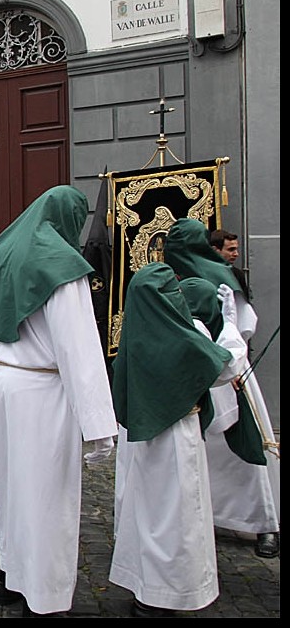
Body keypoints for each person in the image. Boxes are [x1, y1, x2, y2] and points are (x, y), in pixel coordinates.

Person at [0, 185, 117, 617]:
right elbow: (78, 348)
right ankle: (44, 596)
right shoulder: (61, 265)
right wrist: (99, 427)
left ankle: (10, 577)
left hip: (1, 384)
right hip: (41, 393)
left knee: (11, 489)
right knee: (48, 497)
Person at [109, 264, 236, 617]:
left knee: (144, 513)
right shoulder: (179, 337)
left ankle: (144, 587)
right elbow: (225, 367)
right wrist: (230, 328)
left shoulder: (133, 338)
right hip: (175, 436)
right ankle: (168, 593)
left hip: (139, 439)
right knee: (176, 516)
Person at [166, 219, 278, 559]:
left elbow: (245, 325)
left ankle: (263, 523)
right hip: (189, 373)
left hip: (226, 369)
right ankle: (207, 517)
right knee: (202, 452)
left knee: (241, 451)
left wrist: (225, 337)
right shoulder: (167, 278)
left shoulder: (221, 276)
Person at [209, 228, 250, 296]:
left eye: (236, 249)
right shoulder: (202, 272)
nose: (236, 254)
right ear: (215, 250)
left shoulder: (237, 274)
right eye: (231, 249)